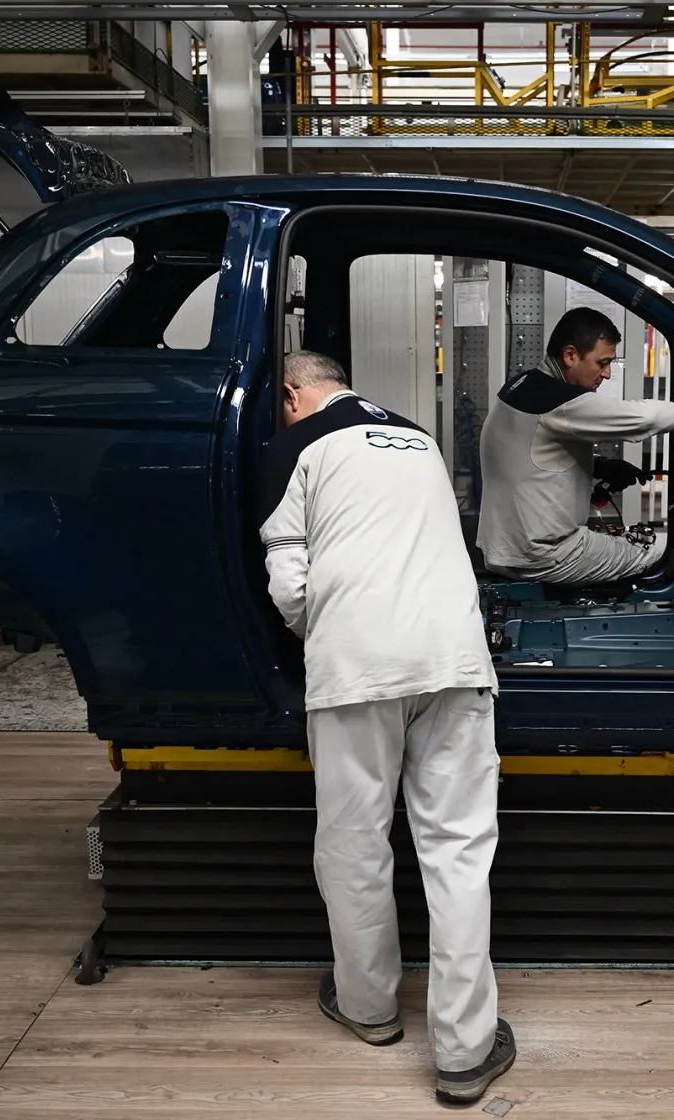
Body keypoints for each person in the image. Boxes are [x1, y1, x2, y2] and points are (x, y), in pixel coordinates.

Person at [257, 350, 516, 1105]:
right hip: (456, 658)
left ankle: (369, 1009)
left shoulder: (294, 446)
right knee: (460, 851)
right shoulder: (417, 436)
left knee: (354, 838)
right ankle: (466, 1053)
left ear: (294, 393)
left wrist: (325, 631)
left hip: (357, 666)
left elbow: (289, 579)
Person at [477, 306, 674, 585]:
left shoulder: (520, 386)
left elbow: (525, 455)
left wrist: (599, 466)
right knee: (657, 556)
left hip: (504, 548)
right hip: (546, 553)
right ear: (570, 355)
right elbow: (639, 418)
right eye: (602, 363)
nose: (608, 374)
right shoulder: (561, 403)